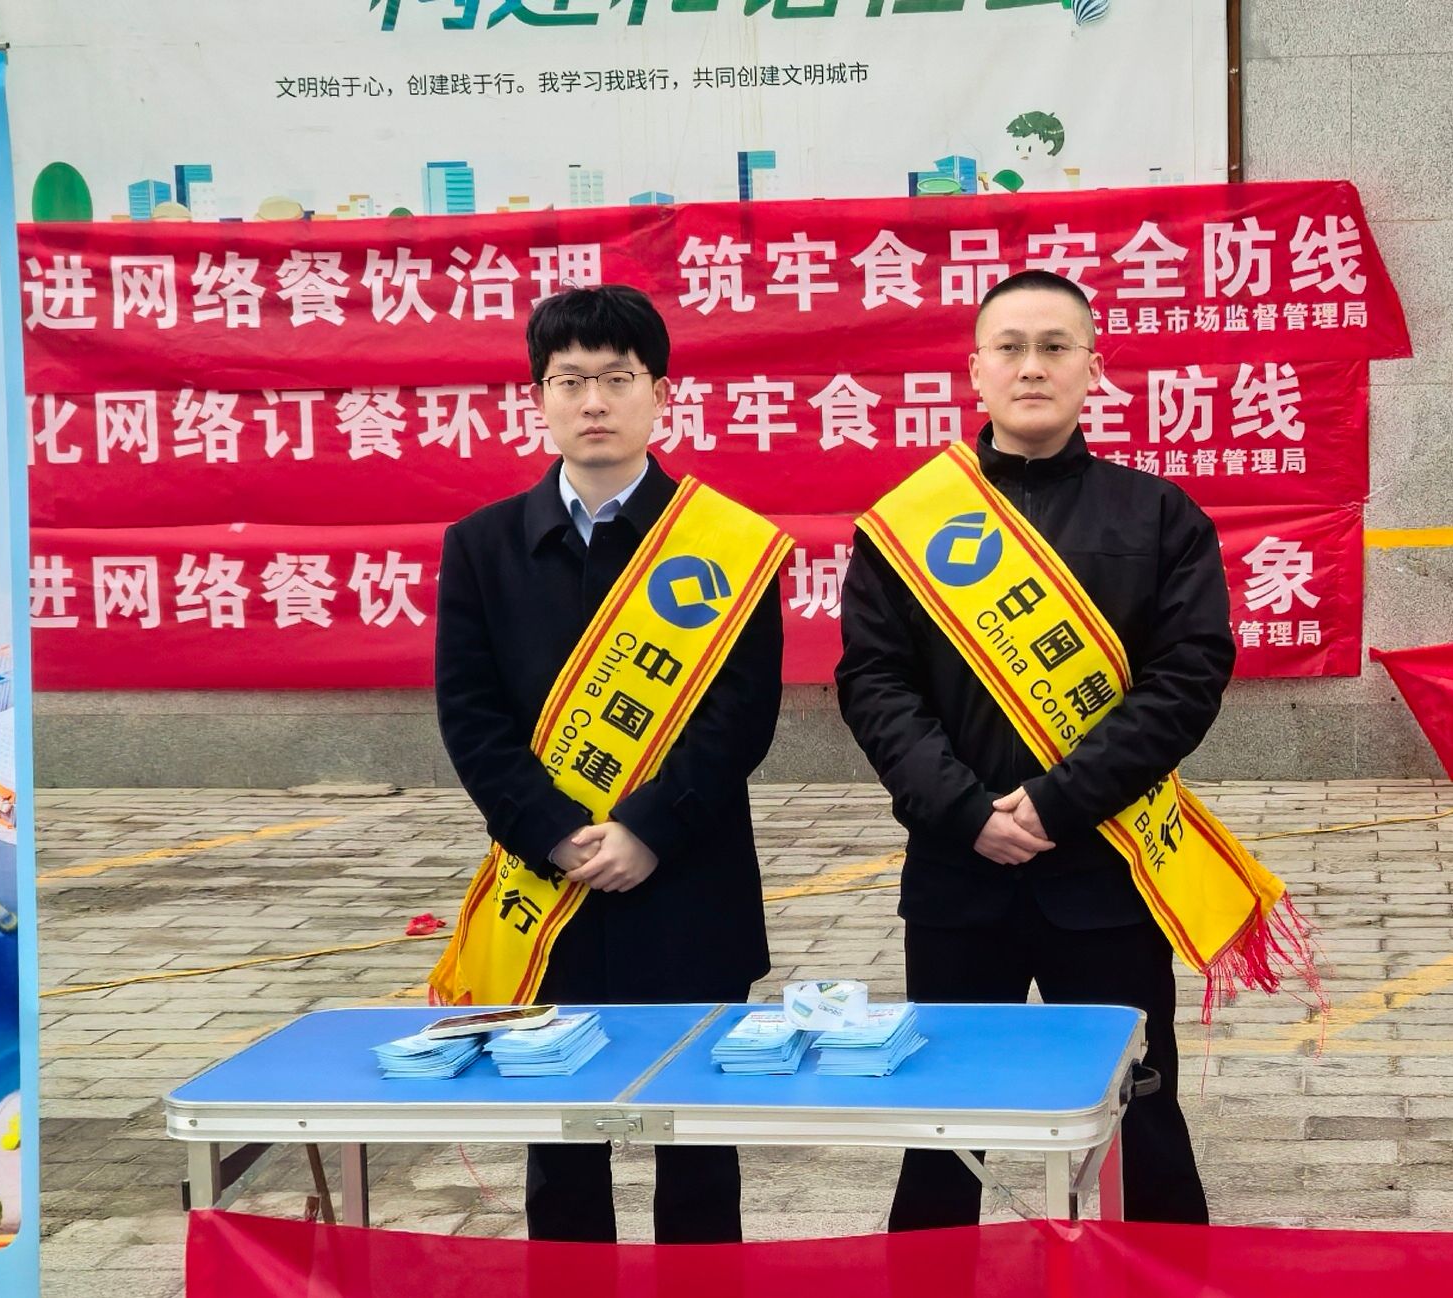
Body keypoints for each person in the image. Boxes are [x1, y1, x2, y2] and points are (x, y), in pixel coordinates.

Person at [835, 268, 1222, 1230]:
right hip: (957, 876)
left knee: (1141, 1110)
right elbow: (874, 683)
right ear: (975, 371)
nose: (1033, 366)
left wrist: (1057, 803)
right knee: (941, 1126)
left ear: (1095, 367)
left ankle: (1166, 1279)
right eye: (1009, 347)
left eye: (1056, 347)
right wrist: (966, 812)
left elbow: (1185, 680)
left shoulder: (1157, 516)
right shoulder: (907, 524)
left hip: (1108, 870)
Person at [432, 284, 785, 1244]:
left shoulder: (729, 545)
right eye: (570, 380)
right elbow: (471, 718)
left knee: (697, 1140)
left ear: (660, 394)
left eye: (618, 378)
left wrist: (648, 830)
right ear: (538, 398)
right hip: (548, 885)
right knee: (561, 1147)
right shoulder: (483, 547)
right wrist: (554, 834)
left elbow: (740, 719)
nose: (594, 401)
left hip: (690, 882)